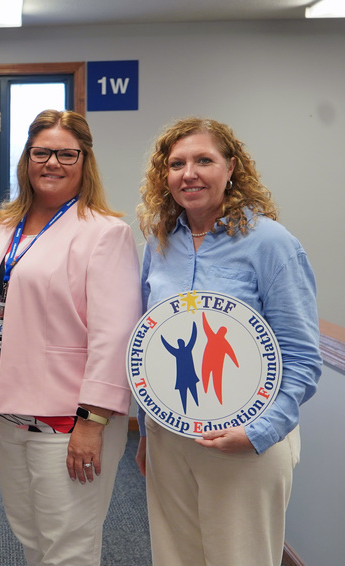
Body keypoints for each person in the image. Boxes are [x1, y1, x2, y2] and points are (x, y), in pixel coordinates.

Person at [0, 110, 140, 566]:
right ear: (27, 158)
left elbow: (115, 335)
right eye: (41, 152)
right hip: (6, 411)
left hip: (68, 419)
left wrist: (93, 421)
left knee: (69, 545)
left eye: (65, 153)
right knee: (31, 537)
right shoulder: (5, 226)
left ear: (84, 160)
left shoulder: (104, 233)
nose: (52, 162)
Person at [135, 117, 321, 565]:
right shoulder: (160, 244)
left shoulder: (270, 243)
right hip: (170, 437)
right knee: (175, 557)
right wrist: (145, 431)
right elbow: (148, 341)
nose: (189, 173)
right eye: (176, 163)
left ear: (231, 167)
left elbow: (301, 356)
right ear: (165, 175)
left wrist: (257, 432)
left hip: (244, 440)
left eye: (204, 160)